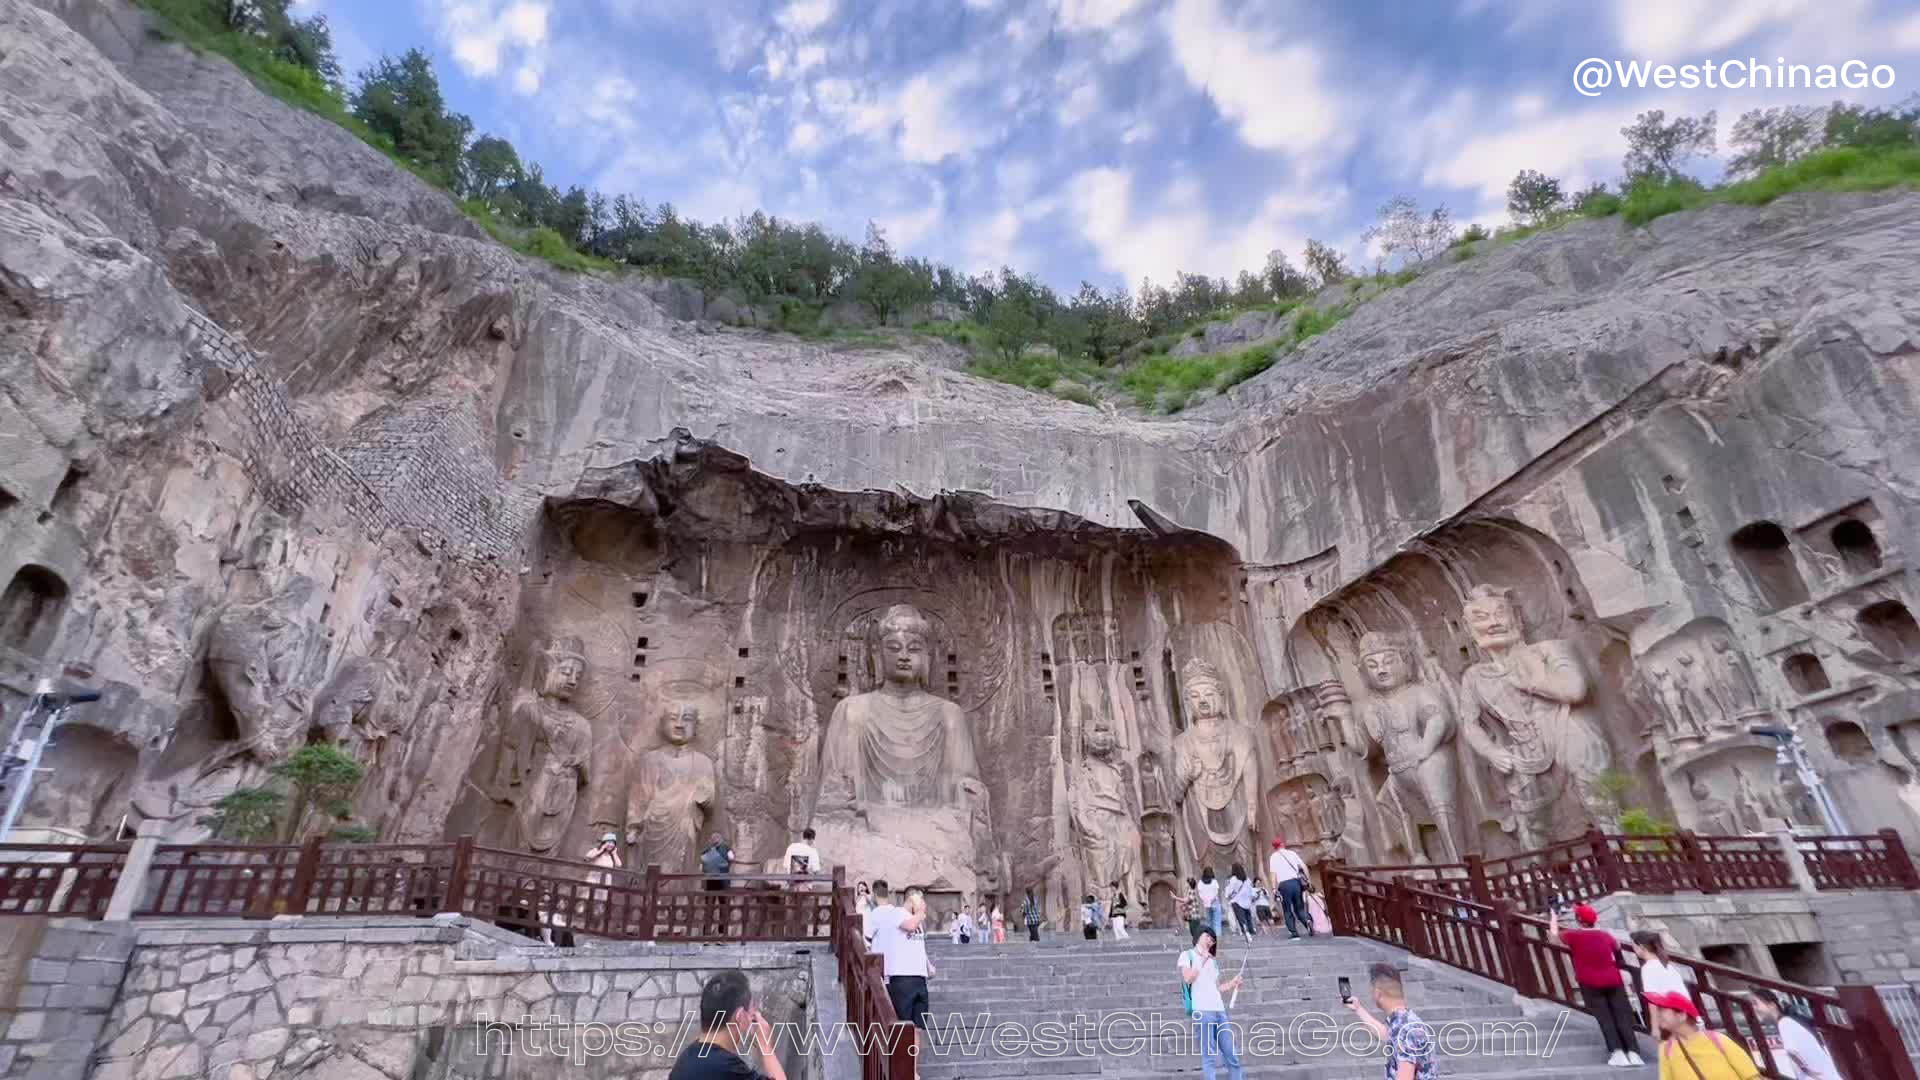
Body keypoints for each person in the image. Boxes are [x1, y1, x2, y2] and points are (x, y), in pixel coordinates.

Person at [1552, 904, 1643, 1068]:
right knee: (1622, 1016)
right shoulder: (1605, 936)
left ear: (1579, 920)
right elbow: (1617, 946)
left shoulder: (1574, 936)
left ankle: (1617, 1053)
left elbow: (1554, 935)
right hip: (1613, 979)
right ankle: (1634, 1053)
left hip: (1590, 981)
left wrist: (1553, 917)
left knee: (1605, 1017)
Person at [666, 969, 789, 1080]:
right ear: (740, 1017)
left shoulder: (686, 1060)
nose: (754, 1014)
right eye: (752, 1008)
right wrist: (766, 1048)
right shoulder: (726, 1067)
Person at [1347, 962, 1436, 1080]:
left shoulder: (1405, 1029)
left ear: (1377, 993)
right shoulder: (1404, 1021)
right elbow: (1387, 1034)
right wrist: (1358, 1009)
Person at [1178, 928, 1246, 1080]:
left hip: (1219, 1010)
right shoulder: (1187, 955)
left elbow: (1216, 988)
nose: (1210, 940)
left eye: (1213, 939)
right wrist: (1202, 959)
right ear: (1198, 936)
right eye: (1207, 936)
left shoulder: (1213, 961)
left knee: (1231, 1054)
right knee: (1209, 1057)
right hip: (1202, 1011)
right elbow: (1188, 978)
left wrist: (1233, 983)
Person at [865, 881, 934, 1030]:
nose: (923, 904)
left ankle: (915, 1053)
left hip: (920, 978)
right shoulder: (896, 913)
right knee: (904, 1028)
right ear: (910, 899)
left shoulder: (917, 920)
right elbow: (909, 926)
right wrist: (921, 913)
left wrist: (928, 966)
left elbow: (919, 945)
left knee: (920, 1027)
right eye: (920, 900)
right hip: (902, 977)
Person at [1646, 989, 1761, 1079]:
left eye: (1663, 1010)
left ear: (1681, 1015)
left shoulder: (1718, 1040)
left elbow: (1751, 1076)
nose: (1658, 1014)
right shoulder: (1666, 1050)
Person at [1750, 987, 1837, 1080]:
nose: (1753, 1008)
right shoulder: (1789, 1022)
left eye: (1756, 1004)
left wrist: (1809, 1071)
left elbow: (1793, 1051)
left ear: (1772, 1005)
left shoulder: (1785, 1023)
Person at [1632, 930, 1691, 1025]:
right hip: (1685, 1011)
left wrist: (1655, 1026)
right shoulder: (1666, 964)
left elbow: (1653, 999)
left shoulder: (1648, 968)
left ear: (1641, 947)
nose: (1633, 949)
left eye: (1634, 946)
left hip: (1672, 1016)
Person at [1267, 836, 1312, 940]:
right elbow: (1304, 867)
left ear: (1274, 847)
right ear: (1282, 844)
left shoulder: (1273, 857)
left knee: (1287, 909)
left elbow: (1273, 874)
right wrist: (1308, 881)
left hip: (1284, 885)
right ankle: (1307, 920)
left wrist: (1274, 889)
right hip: (1296, 883)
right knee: (1299, 907)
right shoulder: (1292, 853)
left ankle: (1294, 933)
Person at [1227, 863, 1257, 941]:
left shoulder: (1233, 879)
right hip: (1246, 902)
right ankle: (1251, 930)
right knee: (1248, 917)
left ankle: (1246, 932)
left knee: (1241, 919)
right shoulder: (1247, 879)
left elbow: (1230, 890)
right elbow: (1251, 890)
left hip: (1236, 901)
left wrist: (1228, 895)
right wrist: (1252, 897)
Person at [1196, 867, 1223, 939]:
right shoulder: (1214, 881)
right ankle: (1217, 936)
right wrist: (1212, 899)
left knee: (1209, 921)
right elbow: (1216, 892)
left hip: (1206, 904)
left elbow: (1200, 893)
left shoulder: (1200, 883)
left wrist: (1205, 900)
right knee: (1217, 921)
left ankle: (1210, 935)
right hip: (1215, 902)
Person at [1180, 878, 1203, 943]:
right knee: (1194, 932)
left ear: (1189, 885)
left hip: (1194, 916)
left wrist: (1176, 898)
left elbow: (1188, 900)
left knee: (1195, 932)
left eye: (1187, 884)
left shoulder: (1191, 891)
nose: (1185, 885)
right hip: (1192, 916)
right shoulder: (1191, 891)